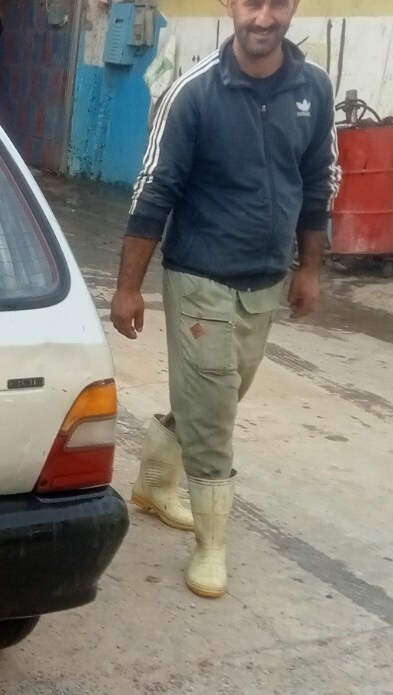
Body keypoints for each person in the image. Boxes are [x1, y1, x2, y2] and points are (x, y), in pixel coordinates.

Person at [110, 0, 340, 599]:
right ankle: (211, 546)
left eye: (278, 4)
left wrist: (310, 268)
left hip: (265, 279)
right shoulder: (193, 93)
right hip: (200, 276)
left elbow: (318, 182)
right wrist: (129, 287)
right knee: (215, 414)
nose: (263, 18)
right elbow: (154, 188)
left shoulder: (313, 88)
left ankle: (154, 485)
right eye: (250, 3)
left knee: (214, 394)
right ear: (229, 7)